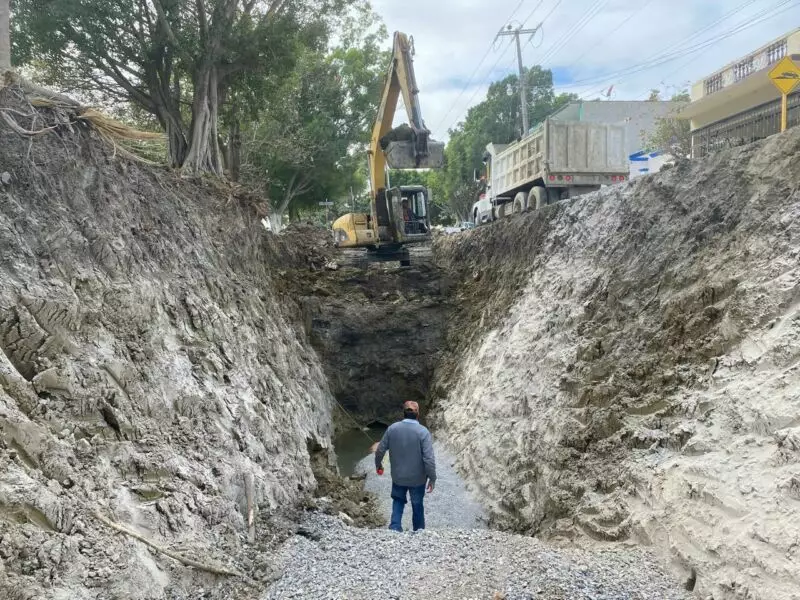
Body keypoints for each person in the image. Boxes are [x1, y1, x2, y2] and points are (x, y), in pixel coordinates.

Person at [374, 400, 436, 532]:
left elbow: (380, 450)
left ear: (404, 413)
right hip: (418, 479)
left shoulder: (392, 429)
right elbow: (429, 459)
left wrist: (378, 465)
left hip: (398, 477)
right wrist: (432, 478)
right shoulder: (423, 432)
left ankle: (395, 527)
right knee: (417, 504)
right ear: (418, 414)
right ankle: (419, 531)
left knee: (398, 500)